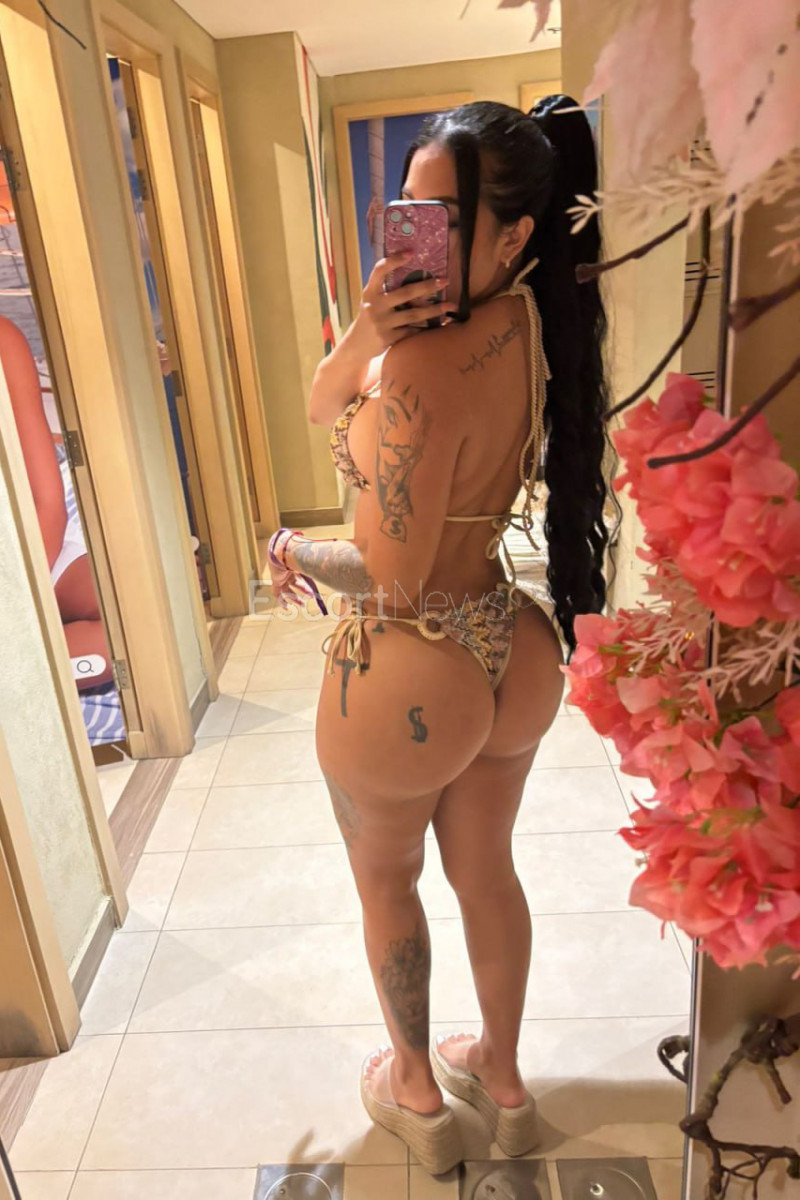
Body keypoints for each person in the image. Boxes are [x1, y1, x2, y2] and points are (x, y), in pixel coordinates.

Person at [268, 96, 609, 1175]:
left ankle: (416, 1095)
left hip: (411, 669)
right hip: (511, 644)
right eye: (405, 212)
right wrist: (368, 328)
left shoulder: (420, 368)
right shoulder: (528, 319)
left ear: (514, 234)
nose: (412, 240)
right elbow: (325, 396)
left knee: (387, 881)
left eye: (443, 220)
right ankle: (503, 1083)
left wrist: (291, 547)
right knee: (486, 869)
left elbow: (393, 574)